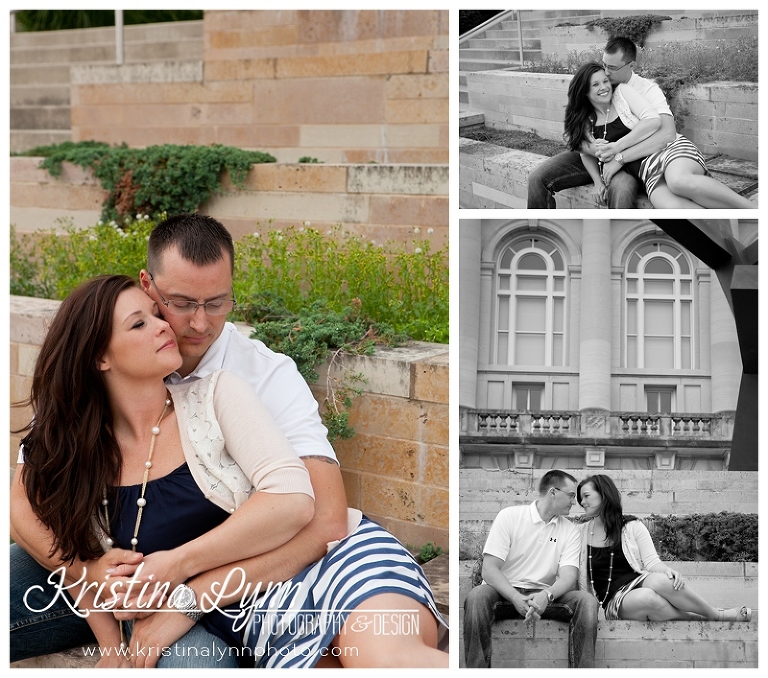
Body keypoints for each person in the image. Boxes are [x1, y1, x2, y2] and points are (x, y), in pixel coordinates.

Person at [11, 215, 448, 668]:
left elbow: (325, 520)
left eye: (218, 303)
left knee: (388, 658)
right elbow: (24, 504)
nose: (200, 323)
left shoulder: (257, 377)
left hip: (291, 572)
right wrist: (91, 573)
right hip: (194, 598)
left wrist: (185, 592)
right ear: (149, 288)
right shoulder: (86, 394)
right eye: (180, 303)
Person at [13, 274, 317, 667]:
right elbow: (59, 536)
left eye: (157, 315)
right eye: (140, 324)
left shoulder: (214, 397)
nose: (163, 326)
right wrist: (110, 644)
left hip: (212, 605)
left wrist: (178, 565)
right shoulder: (71, 441)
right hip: (109, 606)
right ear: (99, 357)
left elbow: (293, 498)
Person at [528, 37, 754, 209]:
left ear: (631, 66)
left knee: (668, 183)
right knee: (538, 176)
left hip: (650, 157)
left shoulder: (641, 90)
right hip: (635, 166)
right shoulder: (595, 96)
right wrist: (593, 155)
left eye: (611, 70)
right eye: (603, 66)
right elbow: (577, 139)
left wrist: (618, 155)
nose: (605, 75)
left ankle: (753, 211)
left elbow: (665, 132)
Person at [463, 470, 598, 668]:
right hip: (503, 595)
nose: (574, 501)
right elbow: (490, 570)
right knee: (476, 597)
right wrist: (515, 598)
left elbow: (569, 577)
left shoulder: (569, 530)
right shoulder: (510, 516)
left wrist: (547, 595)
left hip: (544, 598)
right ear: (553, 492)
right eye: (571, 495)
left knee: (586, 601)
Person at [577, 474, 752, 622]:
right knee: (647, 598)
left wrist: (668, 570)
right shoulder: (579, 533)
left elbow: (652, 562)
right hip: (613, 601)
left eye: (586, 496)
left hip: (636, 581)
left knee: (662, 580)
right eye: (580, 498)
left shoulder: (631, 526)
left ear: (603, 494)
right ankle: (701, 618)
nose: (582, 502)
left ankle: (715, 614)